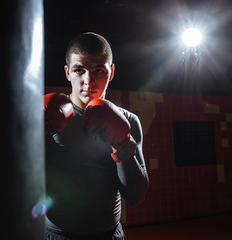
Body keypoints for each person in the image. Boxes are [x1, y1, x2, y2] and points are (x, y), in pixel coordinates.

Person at [44, 32, 149, 240]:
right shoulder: (48, 115)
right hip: (57, 235)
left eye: (99, 70)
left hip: (109, 235)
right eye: (79, 70)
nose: (88, 81)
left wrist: (123, 144)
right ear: (67, 72)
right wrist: (34, 131)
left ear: (111, 73)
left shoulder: (129, 120)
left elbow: (136, 196)